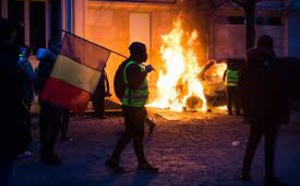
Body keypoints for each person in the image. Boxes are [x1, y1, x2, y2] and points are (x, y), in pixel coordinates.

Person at [239, 35, 290, 186]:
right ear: (271, 46)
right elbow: (282, 91)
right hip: (271, 113)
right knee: (269, 146)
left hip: (255, 113)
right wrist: (284, 114)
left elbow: (243, 90)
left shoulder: (248, 65)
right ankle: (269, 177)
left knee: (252, 143)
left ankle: (245, 172)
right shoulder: (275, 65)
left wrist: (247, 112)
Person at [106, 42, 158, 173]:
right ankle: (115, 160)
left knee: (136, 135)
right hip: (132, 107)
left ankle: (140, 162)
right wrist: (145, 72)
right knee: (130, 134)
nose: (145, 54)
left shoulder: (134, 65)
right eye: (143, 52)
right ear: (136, 53)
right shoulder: (132, 67)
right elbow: (134, 84)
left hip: (137, 106)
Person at [0, 18, 29, 186]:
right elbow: (16, 90)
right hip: (7, 119)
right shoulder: (10, 61)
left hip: (9, 117)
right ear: (11, 35)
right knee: (5, 167)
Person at [36, 39, 62, 165]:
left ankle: (46, 152)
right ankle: (48, 153)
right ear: (52, 46)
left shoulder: (48, 60)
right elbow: (49, 79)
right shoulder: (49, 61)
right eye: (58, 45)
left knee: (47, 126)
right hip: (50, 99)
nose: (60, 48)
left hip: (47, 98)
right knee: (52, 126)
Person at [17, 46, 36, 158]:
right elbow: (31, 76)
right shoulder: (25, 63)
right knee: (24, 119)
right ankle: (23, 145)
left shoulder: (18, 61)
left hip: (20, 92)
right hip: (24, 92)